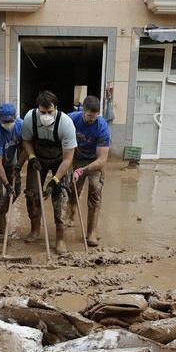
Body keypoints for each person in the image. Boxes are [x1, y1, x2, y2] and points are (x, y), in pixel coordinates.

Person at [20, 90, 76, 254]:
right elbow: (27, 140)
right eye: (42, 112)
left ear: (56, 109)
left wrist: (55, 180)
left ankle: (60, 238)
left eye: (49, 112)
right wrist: (31, 157)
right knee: (31, 194)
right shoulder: (30, 118)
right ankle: (35, 230)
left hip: (61, 160)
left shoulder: (66, 124)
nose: (45, 115)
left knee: (60, 196)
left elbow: (68, 159)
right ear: (38, 109)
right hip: (38, 158)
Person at [68, 95, 110, 247]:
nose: (92, 119)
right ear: (83, 111)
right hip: (77, 157)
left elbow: (102, 160)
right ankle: (71, 211)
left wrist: (83, 170)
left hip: (94, 161)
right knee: (73, 189)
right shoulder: (72, 119)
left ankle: (91, 232)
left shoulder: (102, 127)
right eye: (89, 116)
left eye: (95, 116)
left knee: (95, 191)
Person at [0, 102, 23, 242]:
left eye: (10, 121)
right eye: (4, 121)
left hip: (12, 162)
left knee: (16, 190)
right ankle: (0, 230)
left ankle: (1, 213)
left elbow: (25, 147)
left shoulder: (20, 126)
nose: (7, 123)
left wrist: (18, 166)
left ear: (15, 118)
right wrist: (7, 184)